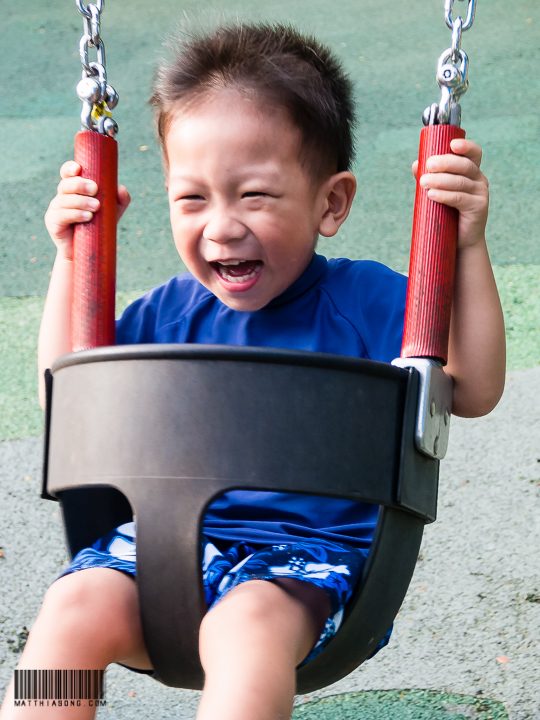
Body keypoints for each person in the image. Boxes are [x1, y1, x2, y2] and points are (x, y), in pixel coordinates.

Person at [1, 22, 505, 720]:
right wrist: (70, 257)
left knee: (243, 628)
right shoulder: (165, 317)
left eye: (255, 195)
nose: (222, 226)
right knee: (71, 606)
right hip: (161, 553)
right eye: (193, 198)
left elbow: (472, 387)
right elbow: (68, 392)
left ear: (330, 204)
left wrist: (467, 245)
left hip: (302, 569)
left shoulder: (370, 302)